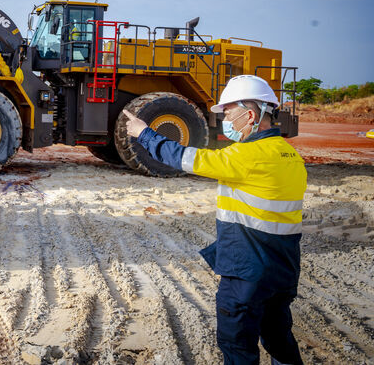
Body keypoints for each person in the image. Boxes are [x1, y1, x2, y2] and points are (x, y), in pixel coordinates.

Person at [124, 75, 306, 365]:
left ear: (250, 115)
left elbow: (183, 157)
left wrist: (145, 133)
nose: (224, 120)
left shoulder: (245, 156)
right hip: (282, 268)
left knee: (237, 344)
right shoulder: (290, 155)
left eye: (228, 113)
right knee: (277, 336)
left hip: (248, 271)